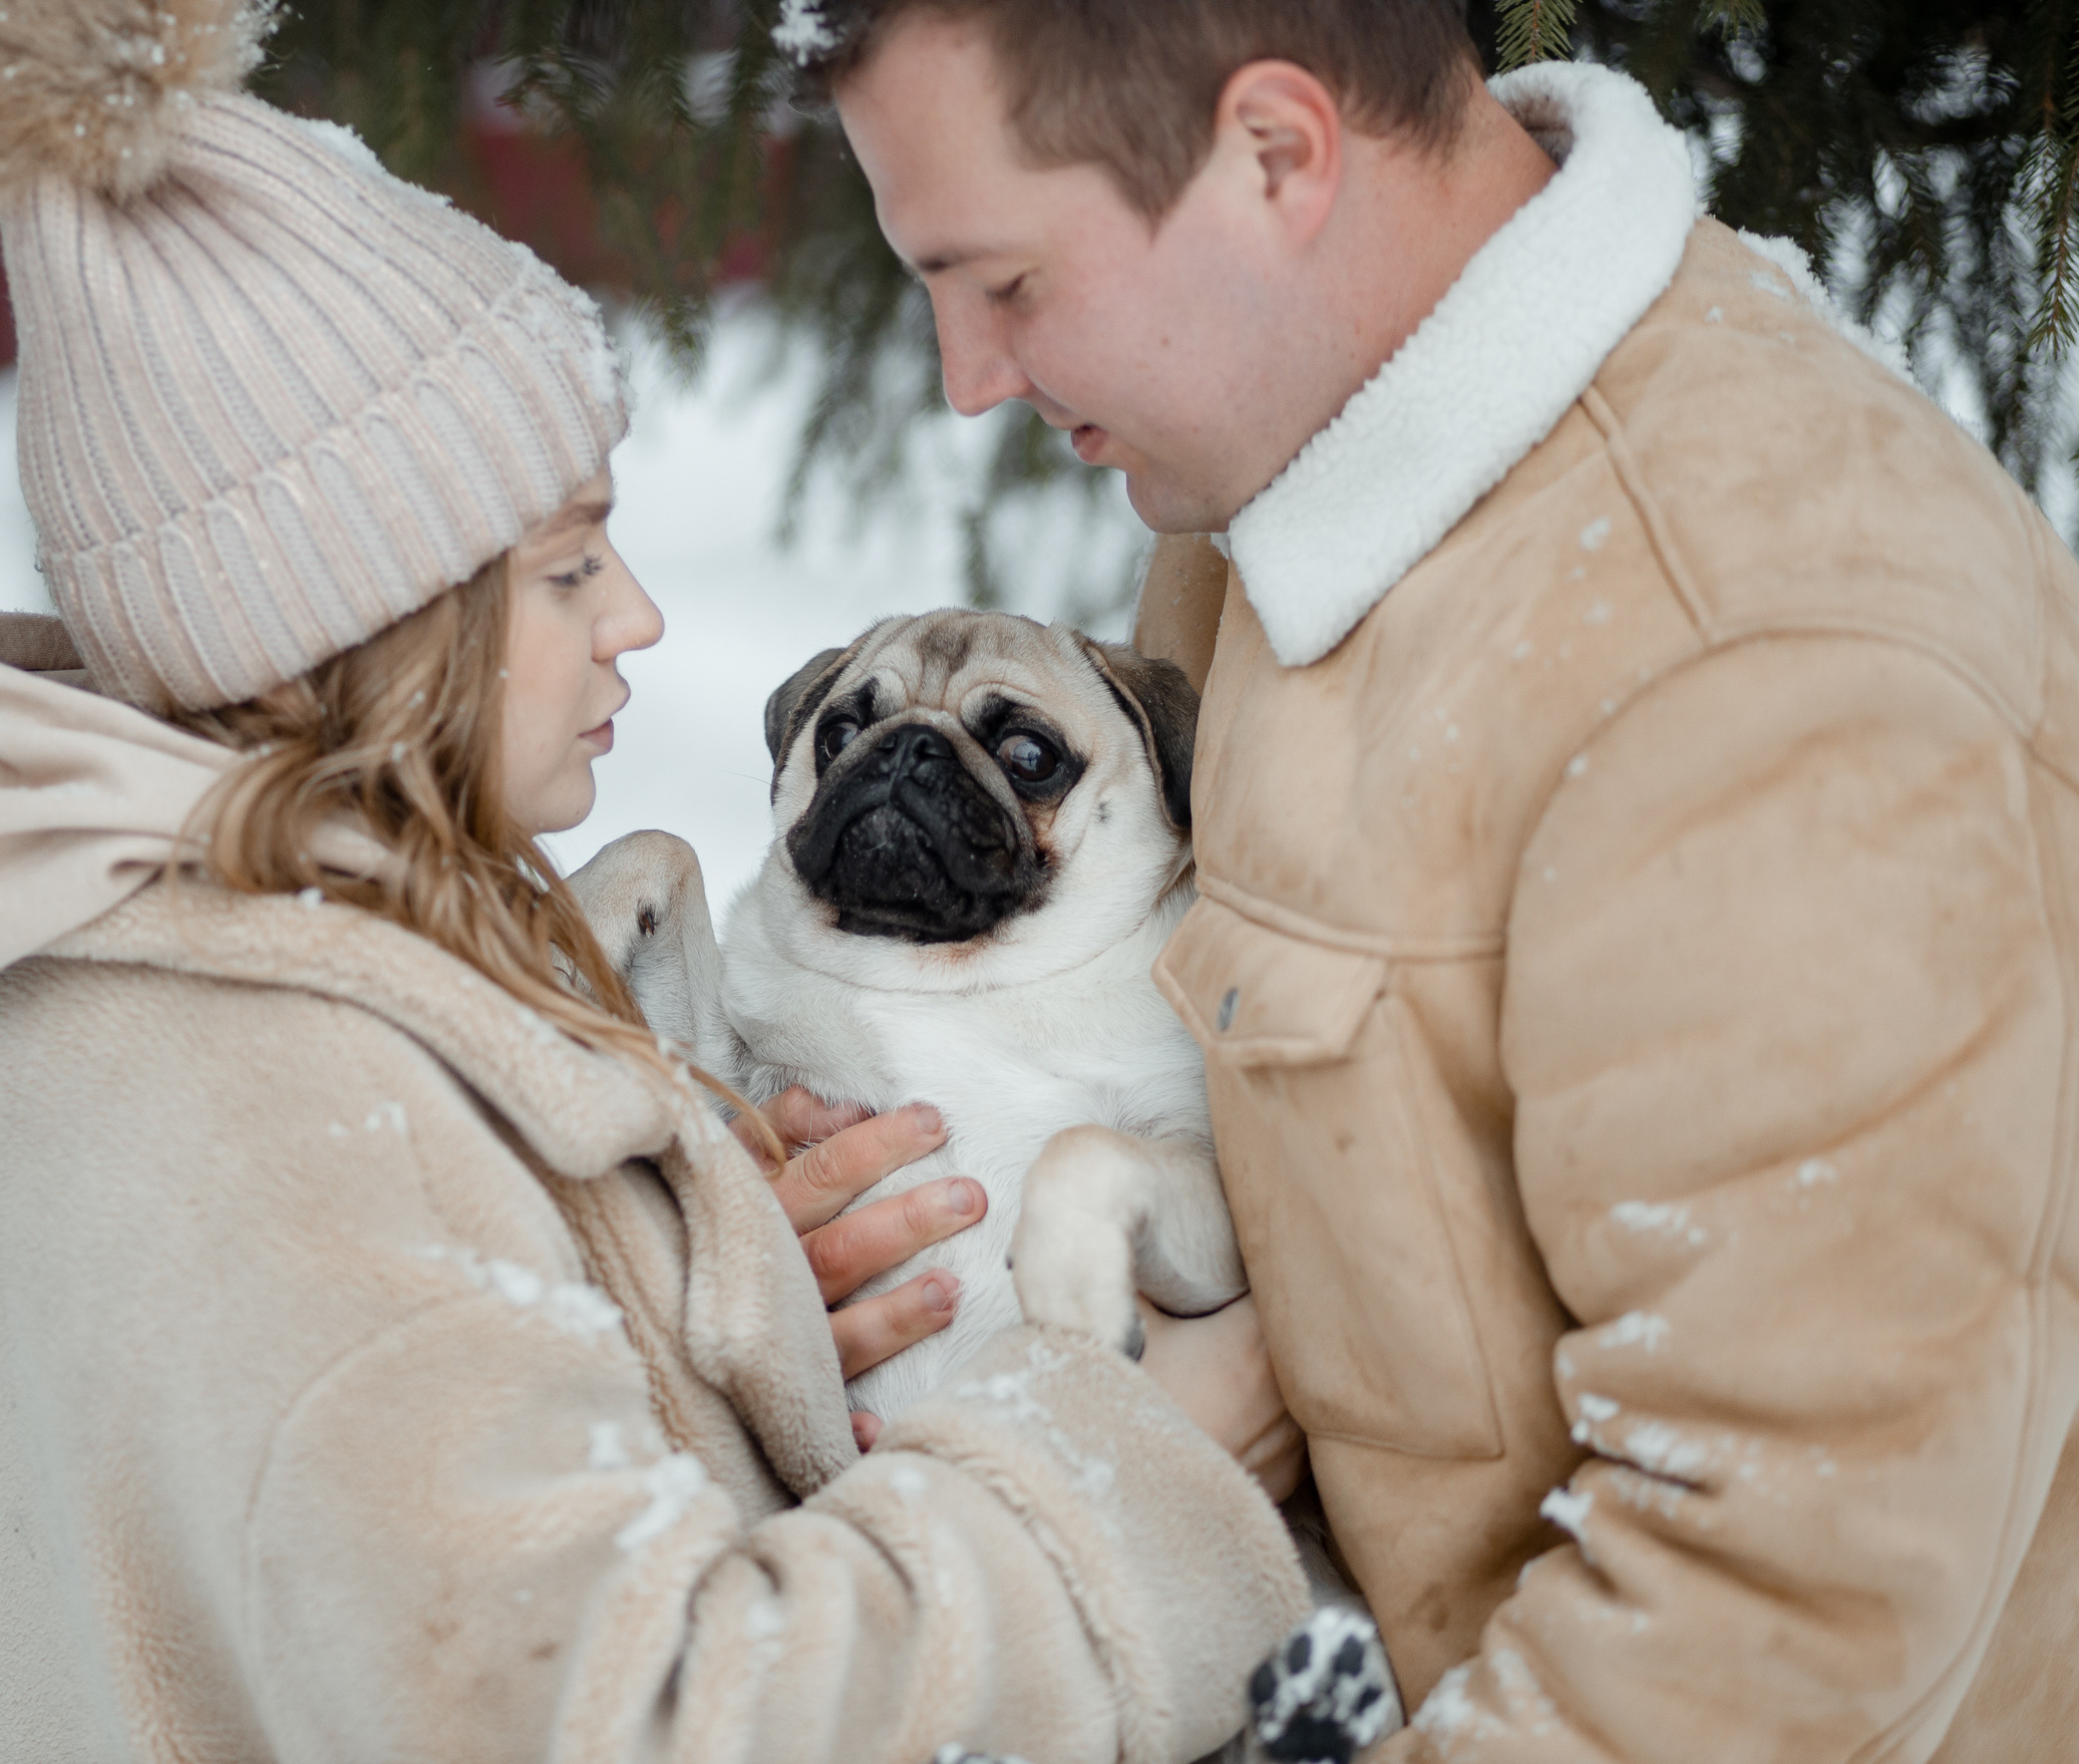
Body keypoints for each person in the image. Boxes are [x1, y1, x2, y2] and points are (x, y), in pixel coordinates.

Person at [0, 0, 1320, 1756]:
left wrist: (734, 1272)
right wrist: (1144, 1478)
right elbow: (648, 1718)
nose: (639, 617)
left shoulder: (137, 976)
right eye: (566, 565)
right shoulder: (295, 1111)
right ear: (379, 613)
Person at [802, 0, 2079, 1757]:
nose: (966, 376)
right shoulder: (1298, 469)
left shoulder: (1746, 657)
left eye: (1008, 283)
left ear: (1276, 154)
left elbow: (1790, 1591)